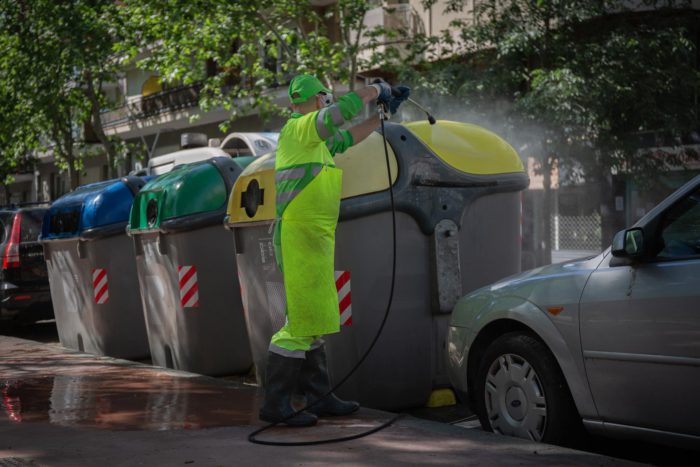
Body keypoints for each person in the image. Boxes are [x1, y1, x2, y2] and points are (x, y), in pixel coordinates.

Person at [258, 75, 410, 427]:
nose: (328, 102)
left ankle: (320, 397)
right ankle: (276, 404)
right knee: (299, 322)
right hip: (302, 234)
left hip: (316, 235)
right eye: (325, 97)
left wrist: (381, 115)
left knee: (315, 318)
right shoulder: (299, 128)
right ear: (315, 99)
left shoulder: (316, 142)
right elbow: (336, 118)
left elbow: (348, 137)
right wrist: (374, 91)